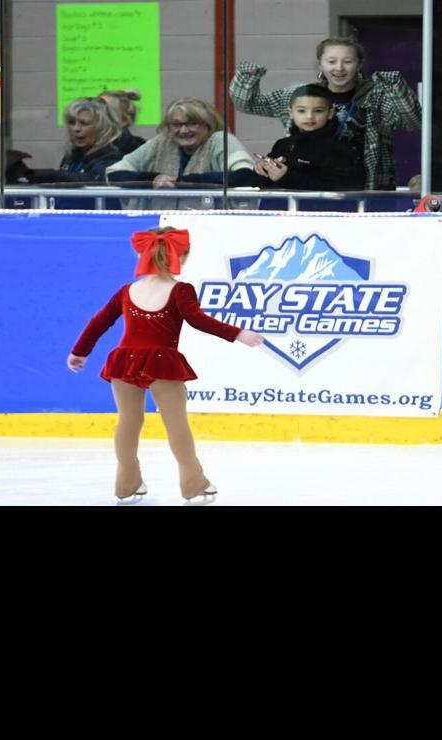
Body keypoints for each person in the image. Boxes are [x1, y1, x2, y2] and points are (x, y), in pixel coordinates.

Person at [67, 227, 266, 504]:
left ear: (143, 254)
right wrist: (238, 334)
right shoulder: (180, 290)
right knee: (176, 425)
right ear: (181, 257)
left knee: (129, 422)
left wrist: (80, 352)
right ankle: (194, 485)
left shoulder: (128, 290)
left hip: (124, 360)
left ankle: (127, 486)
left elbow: (98, 321)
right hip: (162, 361)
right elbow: (198, 320)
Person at [230, 37, 420, 190]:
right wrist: (248, 75)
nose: (339, 68)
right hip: (307, 188)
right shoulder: (303, 95)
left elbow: (414, 122)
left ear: (359, 64)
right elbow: (248, 104)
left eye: (347, 61)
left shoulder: (378, 97)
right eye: (331, 61)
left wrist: (396, 87)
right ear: (320, 64)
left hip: (369, 189)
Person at [106, 98, 255, 188]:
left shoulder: (220, 140)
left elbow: (245, 175)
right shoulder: (163, 141)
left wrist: (185, 182)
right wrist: (155, 179)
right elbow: (113, 174)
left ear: (208, 124)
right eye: (176, 124)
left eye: (192, 123)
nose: (183, 130)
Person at [252, 84, 366, 191]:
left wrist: (287, 177)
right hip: (279, 210)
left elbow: (341, 188)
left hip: (317, 211)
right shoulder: (282, 145)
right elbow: (258, 183)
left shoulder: (339, 149)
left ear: (330, 113)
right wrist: (261, 170)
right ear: (291, 113)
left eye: (318, 111)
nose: (309, 116)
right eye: (301, 111)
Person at [14, 97, 124, 185]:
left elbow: (92, 180)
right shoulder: (72, 156)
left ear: (102, 127)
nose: (76, 129)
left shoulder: (111, 158)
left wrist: (45, 176)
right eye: (72, 123)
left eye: (84, 123)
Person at [99, 88, 148, 155]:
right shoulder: (85, 145)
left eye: (105, 111)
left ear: (124, 120)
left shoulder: (140, 151)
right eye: (94, 109)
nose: (94, 115)